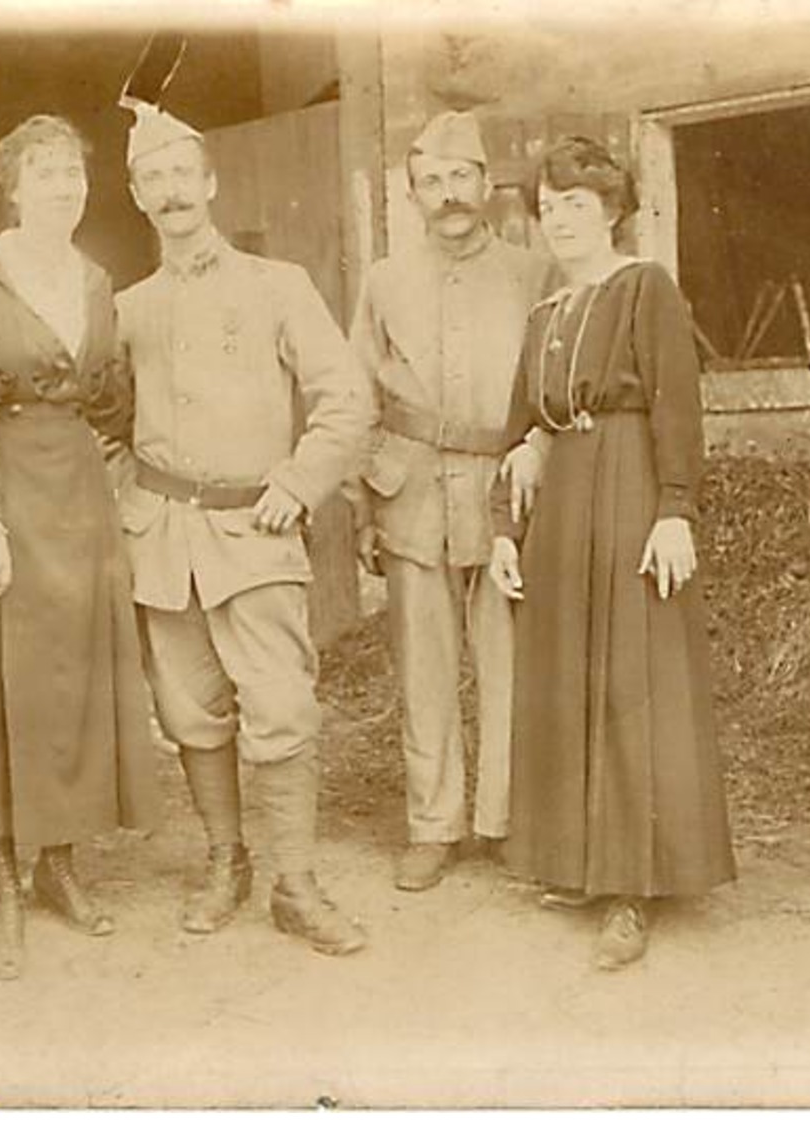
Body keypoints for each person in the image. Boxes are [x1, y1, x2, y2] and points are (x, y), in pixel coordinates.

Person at [109, 104, 375, 956]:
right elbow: (101, 422)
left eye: (182, 173)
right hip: (160, 540)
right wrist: (127, 496)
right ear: (137, 197)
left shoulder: (276, 285)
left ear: (210, 183)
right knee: (189, 712)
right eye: (153, 179)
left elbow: (345, 398)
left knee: (282, 706)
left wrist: (297, 483)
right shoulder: (125, 310)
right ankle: (226, 861)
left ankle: (294, 883)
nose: (171, 191)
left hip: (254, 533)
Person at [0, 114, 161, 981]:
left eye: (73, 174)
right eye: (44, 173)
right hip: (1, 495)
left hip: (76, 498)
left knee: (68, 680)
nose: (63, 187)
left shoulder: (93, 281)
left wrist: (116, 469)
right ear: (13, 187)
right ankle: (1, 871)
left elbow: (112, 399)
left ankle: (59, 865)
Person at [487, 135, 736, 970]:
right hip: (562, 508)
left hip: (630, 488)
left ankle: (632, 888)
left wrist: (674, 511)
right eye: (547, 207)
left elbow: (676, 405)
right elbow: (520, 423)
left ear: (613, 211)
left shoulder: (644, 288)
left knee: (631, 680)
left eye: (576, 205)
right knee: (569, 677)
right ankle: (578, 866)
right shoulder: (543, 316)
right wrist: (505, 516)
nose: (558, 220)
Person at [346, 111, 553, 892]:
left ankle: (502, 822)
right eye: (430, 182)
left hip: (504, 497)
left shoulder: (533, 274)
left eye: (459, 176)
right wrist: (362, 502)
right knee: (423, 672)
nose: (447, 194)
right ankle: (433, 825)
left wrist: (538, 458)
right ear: (412, 194)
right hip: (410, 495)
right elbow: (355, 392)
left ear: (486, 181)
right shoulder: (384, 281)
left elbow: (556, 388)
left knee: (507, 664)